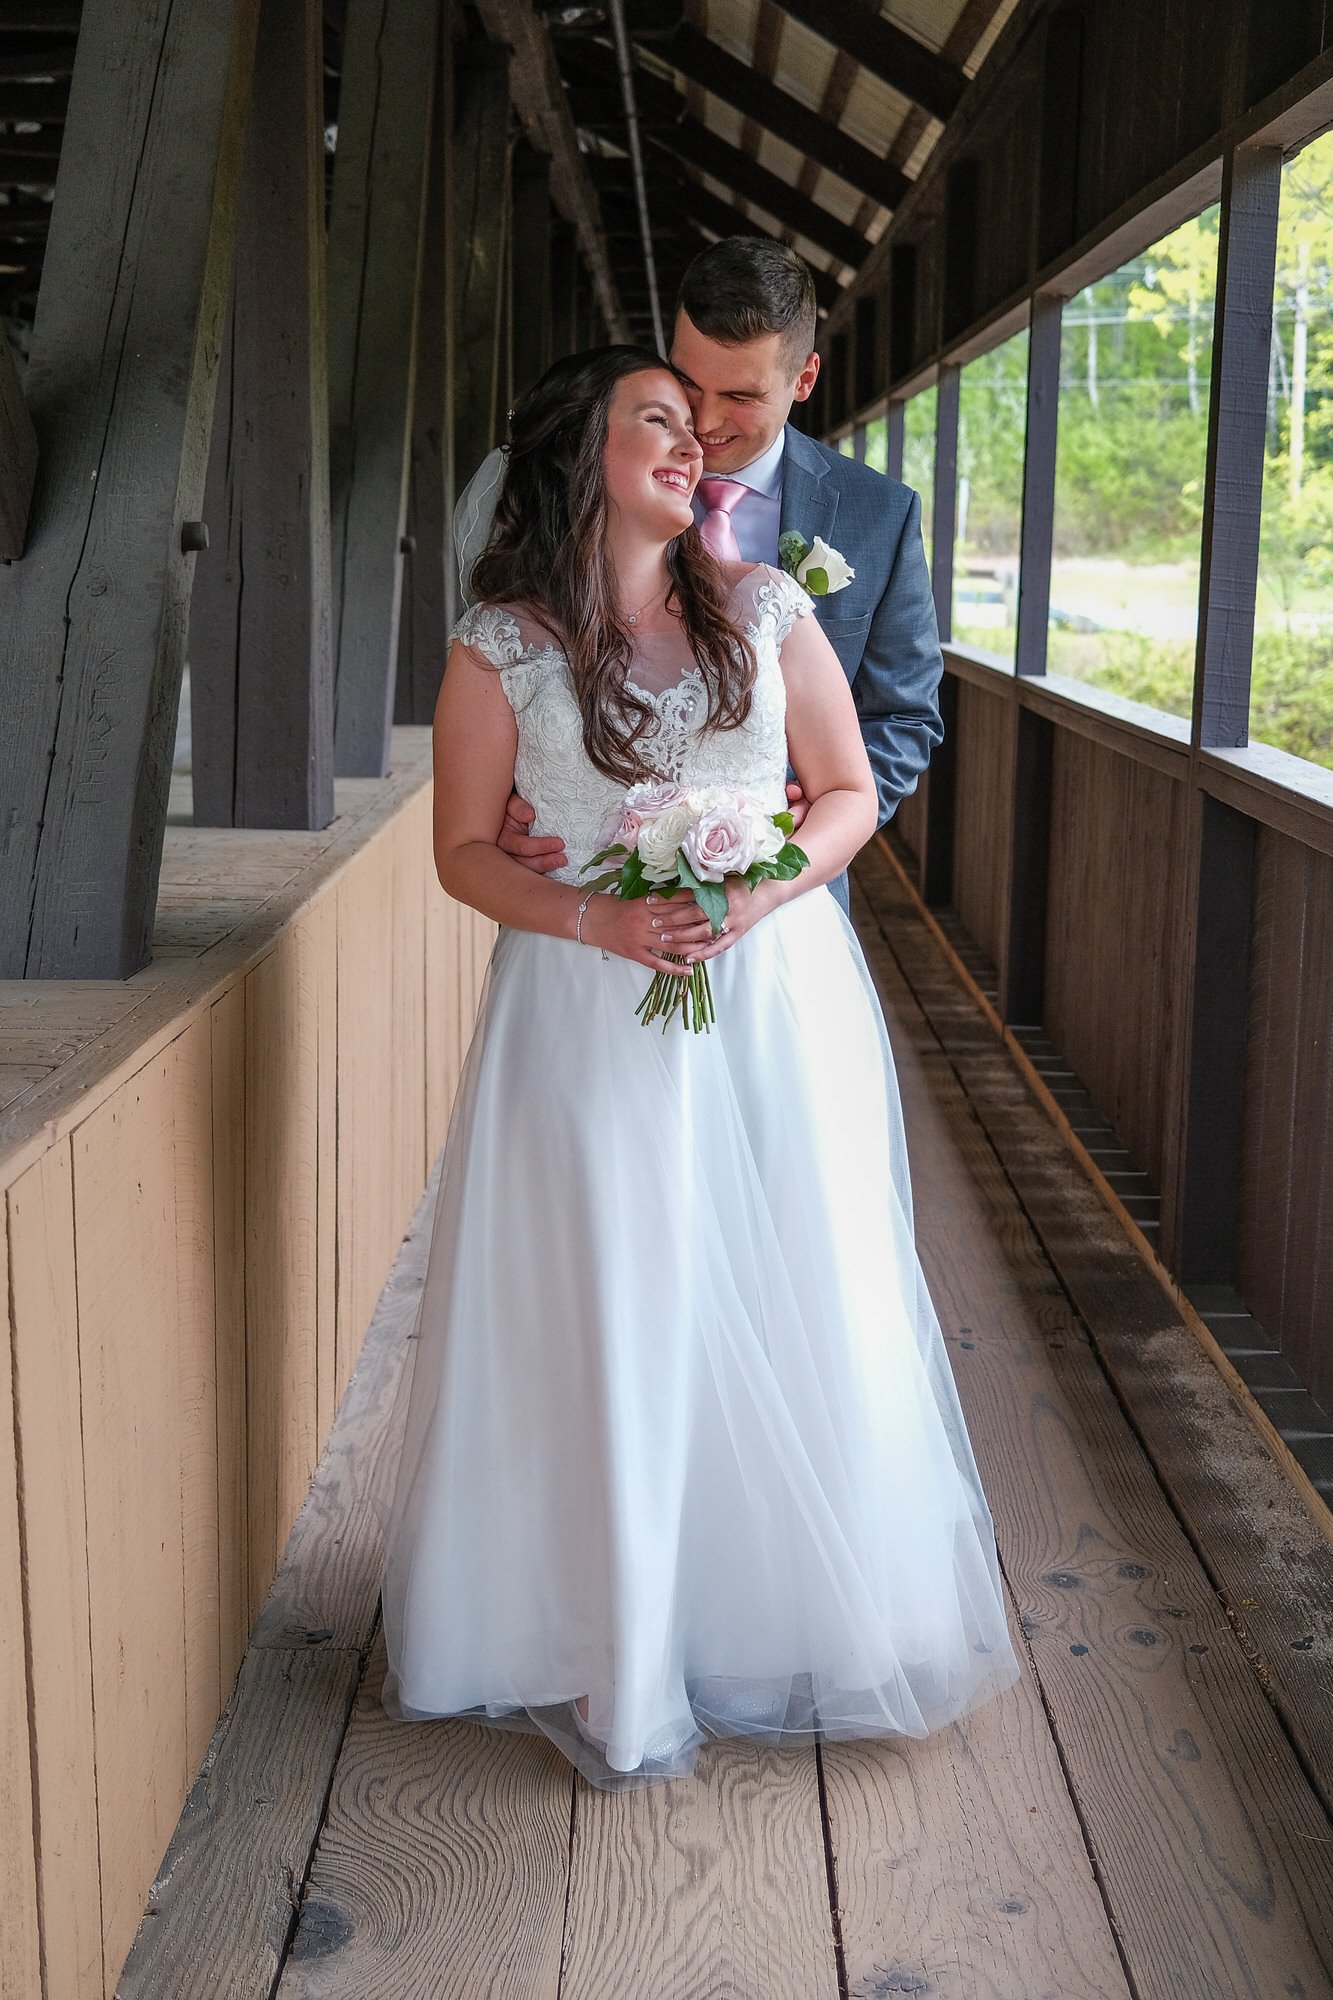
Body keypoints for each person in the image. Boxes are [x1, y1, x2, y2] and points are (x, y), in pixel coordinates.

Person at [376, 342, 1017, 1789]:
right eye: (654, 423)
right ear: (576, 459)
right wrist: (597, 915)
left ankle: (770, 1609)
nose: (689, 446)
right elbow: (464, 853)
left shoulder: (766, 606)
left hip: (775, 1000)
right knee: (618, 1293)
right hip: (584, 1005)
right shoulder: (505, 646)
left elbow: (847, 793)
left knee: (789, 1280)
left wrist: (759, 893)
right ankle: (616, 1645)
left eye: (695, 425)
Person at [455, 236, 943, 911]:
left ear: (802, 380)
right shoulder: (558, 495)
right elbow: (505, 673)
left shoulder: (878, 515)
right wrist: (519, 798)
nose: (706, 425)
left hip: (779, 896)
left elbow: (902, 715)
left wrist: (792, 829)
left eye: (741, 395)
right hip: (583, 896)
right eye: (688, 386)